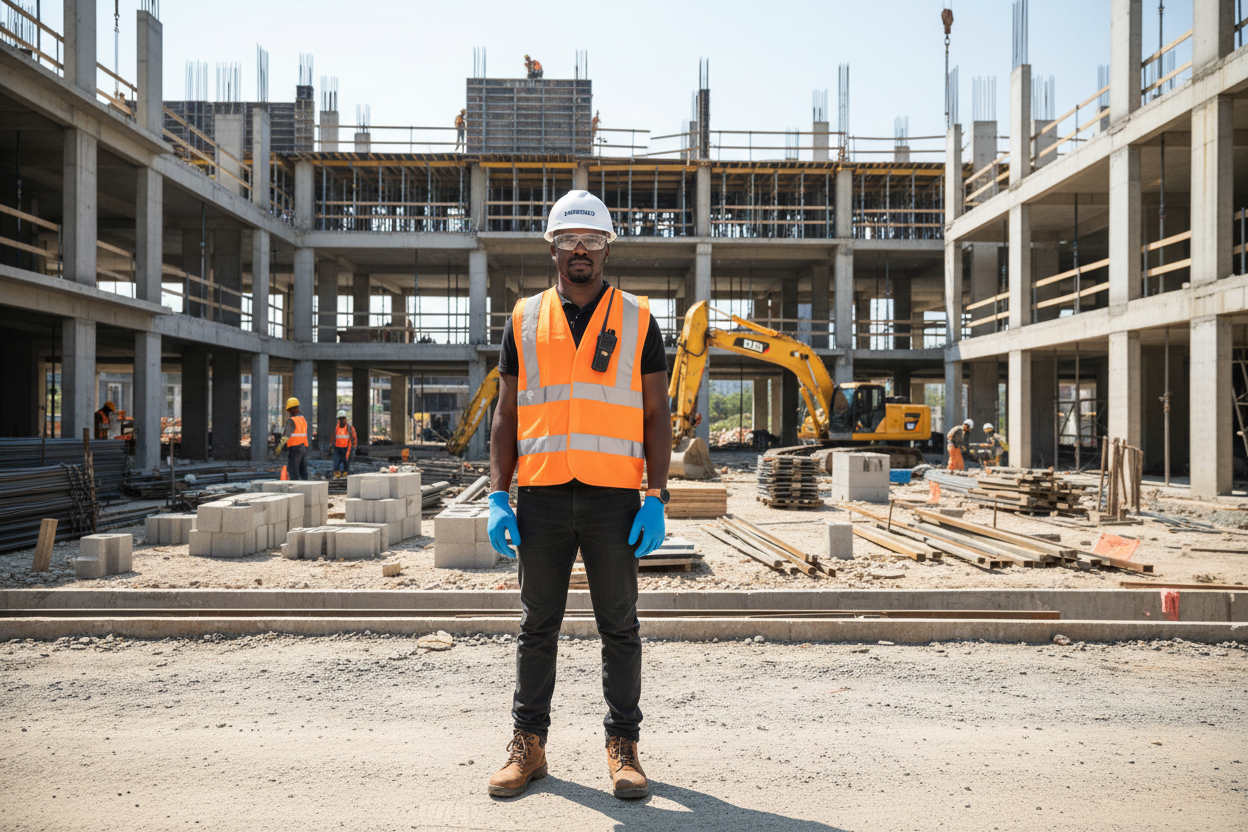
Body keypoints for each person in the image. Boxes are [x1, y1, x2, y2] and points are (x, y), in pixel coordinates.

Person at [486, 190, 670, 801]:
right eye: (569, 240)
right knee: (537, 625)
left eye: (591, 240)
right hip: (539, 495)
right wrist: (497, 495)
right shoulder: (523, 318)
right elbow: (507, 414)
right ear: (554, 248)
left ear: (607, 247)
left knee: (619, 626)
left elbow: (654, 411)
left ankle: (624, 746)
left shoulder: (639, 318)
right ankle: (528, 745)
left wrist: (657, 494)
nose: (580, 250)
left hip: (614, 498)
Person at [275, 397, 309, 480]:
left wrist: (280, 446)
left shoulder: (292, 420)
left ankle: (294, 487)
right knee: (303, 469)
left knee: (293, 470)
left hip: (295, 448)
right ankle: (306, 485)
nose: (288, 412)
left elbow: (286, 435)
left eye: (289, 410)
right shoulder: (302, 419)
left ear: (293, 409)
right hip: (304, 447)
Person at [332, 410, 357, 479]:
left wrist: (353, 448)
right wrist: (331, 446)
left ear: (345, 419)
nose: (341, 420)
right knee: (336, 464)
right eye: (340, 419)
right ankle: (337, 476)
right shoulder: (336, 428)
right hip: (337, 449)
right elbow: (333, 437)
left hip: (346, 449)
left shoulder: (350, 428)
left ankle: (345, 476)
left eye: (343, 418)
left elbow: (354, 438)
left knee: (346, 463)